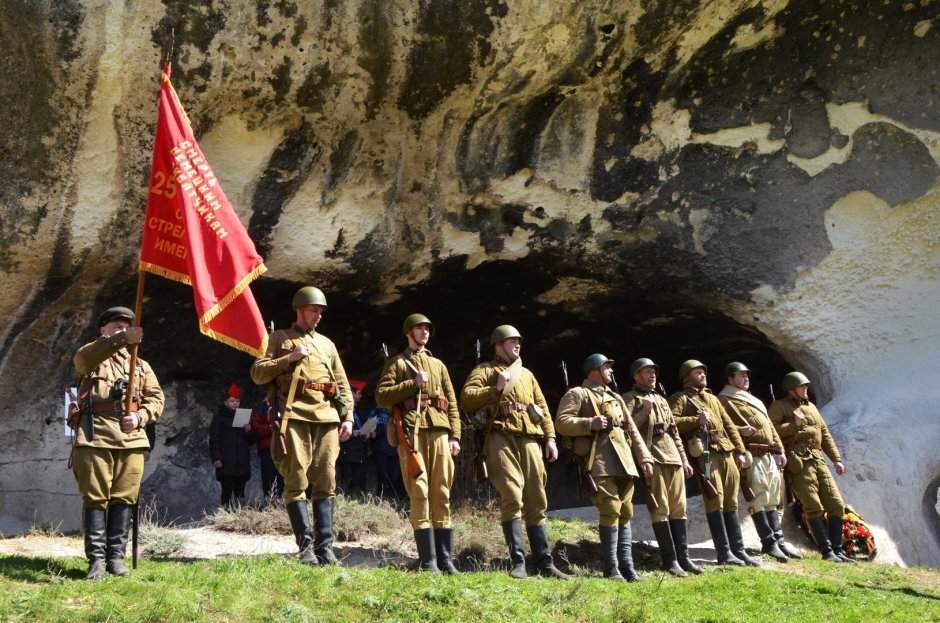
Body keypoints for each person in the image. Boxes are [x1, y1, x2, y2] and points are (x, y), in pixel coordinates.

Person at [250, 286, 353, 565]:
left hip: (326, 417)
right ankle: (305, 547)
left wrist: (348, 417)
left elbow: (342, 385)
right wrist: (288, 359)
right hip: (293, 415)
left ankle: (325, 546)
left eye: (320, 312)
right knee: (295, 479)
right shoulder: (278, 337)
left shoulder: (327, 344)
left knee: (327, 479)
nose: (317, 316)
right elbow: (258, 373)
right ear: (298, 309)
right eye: (313, 310)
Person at [459, 325, 569, 580]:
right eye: (512, 341)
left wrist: (551, 439)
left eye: (519, 341)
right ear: (498, 344)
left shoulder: (527, 375)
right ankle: (518, 561)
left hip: (531, 439)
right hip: (501, 436)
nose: (517, 345)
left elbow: (541, 407)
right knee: (512, 492)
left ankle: (544, 562)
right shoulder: (484, 370)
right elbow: (467, 398)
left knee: (537, 498)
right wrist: (495, 388)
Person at [71, 306, 165, 579]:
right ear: (103, 329)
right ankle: (96, 561)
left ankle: (116, 559)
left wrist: (140, 417)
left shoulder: (140, 365)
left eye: (127, 326)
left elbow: (156, 398)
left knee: (124, 499)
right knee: (96, 499)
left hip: (131, 438)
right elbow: (82, 362)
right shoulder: (92, 356)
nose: (122, 329)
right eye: (116, 325)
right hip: (95, 436)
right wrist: (121, 340)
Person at [375, 313, 461, 574]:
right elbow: (381, 396)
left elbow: (452, 403)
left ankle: (445, 560)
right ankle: (428, 560)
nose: (424, 332)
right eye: (419, 328)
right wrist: (412, 384)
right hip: (412, 432)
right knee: (420, 491)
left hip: (439, 431)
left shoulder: (439, 365)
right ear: (407, 333)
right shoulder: (397, 364)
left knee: (442, 491)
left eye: (426, 328)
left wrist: (455, 435)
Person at [555, 354, 654, 582]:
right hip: (597, 460)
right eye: (606, 367)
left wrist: (644, 458)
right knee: (610, 508)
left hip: (624, 461)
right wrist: (590, 423)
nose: (611, 371)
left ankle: (627, 567)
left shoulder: (615, 397)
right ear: (595, 370)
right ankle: (612, 568)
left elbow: (631, 430)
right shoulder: (578, 393)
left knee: (626, 511)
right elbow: (562, 422)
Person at [669, 360, 754, 566]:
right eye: (698, 373)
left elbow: (728, 425)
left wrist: (740, 450)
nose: (703, 375)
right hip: (706, 453)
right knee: (715, 500)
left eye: (703, 372)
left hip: (726, 451)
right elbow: (672, 422)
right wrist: (696, 421)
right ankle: (724, 553)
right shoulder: (680, 398)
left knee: (731, 501)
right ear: (687, 377)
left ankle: (738, 550)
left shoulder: (713, 399)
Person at [621, 358, 699, 576]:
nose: (652, 375)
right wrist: (644, 411)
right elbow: (628, 430)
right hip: (652, 457)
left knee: (679, 508)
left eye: (653, 371)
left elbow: (673, 431)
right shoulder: (629, 398)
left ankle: (683, 558)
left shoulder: (662, 399)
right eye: (646, 372)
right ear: (636, 376)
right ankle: (669, 559)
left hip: (672, 457)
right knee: (661, 508)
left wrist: (684, 459)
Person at [718, 362, 801, 562]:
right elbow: (722, 427)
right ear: (730, 379)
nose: (745, 379)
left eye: (747, 375)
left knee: (772, 496)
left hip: (767, 454)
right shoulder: (724, 399)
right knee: (758, 497)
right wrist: (740, 431)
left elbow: (770, 428)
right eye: (740, 376)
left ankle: (778, 541)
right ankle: (769, 542)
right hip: (749, 453)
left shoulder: (753, 400)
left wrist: (779, 449)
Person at [769, 371, 853, 563]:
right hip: (798, 460)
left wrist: (836, 459)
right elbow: (771, 431)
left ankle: (838, 550)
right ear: (792, 389)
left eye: (806, 386)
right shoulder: (779, 406)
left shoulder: (812, 408)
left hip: (817, 459)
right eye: (802, 387)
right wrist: (793, 425)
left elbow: (824, 434)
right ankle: (827, 551)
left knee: (836, 504)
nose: (806, 389)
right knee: (813, 506)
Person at [209, 383, 255, 508]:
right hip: (226, 461)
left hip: (241, 461)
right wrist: (216, 458)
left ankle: (239, 516)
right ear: (225, 403)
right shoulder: (219, 419)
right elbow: (214, 439)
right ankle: (225, 514)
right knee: (226, 491)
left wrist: (248, 431)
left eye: (237, 401)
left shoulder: (244, 418)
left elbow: (251, 442)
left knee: (240, 493)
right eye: (232, 401)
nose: (235, 403)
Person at [337, 380, 372, 496]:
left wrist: (366, 432)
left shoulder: (358, 410)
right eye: (359, 393)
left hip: (359, 451)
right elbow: (338, 431)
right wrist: (353, 433)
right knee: (347, 479)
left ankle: (358, 498)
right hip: (346, 452)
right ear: (351, 393)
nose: (361, 396)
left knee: (359, 479)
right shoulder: (342, 410)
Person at [365, 403, 405, 499]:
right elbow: (367, 431)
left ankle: (391, 501)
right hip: (380, 449)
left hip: (395, 450)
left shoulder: (398, 410)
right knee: (382, 478)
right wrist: (381, 429)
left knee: (394, 479)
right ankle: (380, 500)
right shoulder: (376, 410)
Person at [249, 397, 285, 502]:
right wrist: (272, 427)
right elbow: (257, 430)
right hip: (267, 449)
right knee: (268, 478)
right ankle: (270, 503)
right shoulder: (259, 409)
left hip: (282, 448)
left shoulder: (283, 407)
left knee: (283, 476)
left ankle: (283, 502)